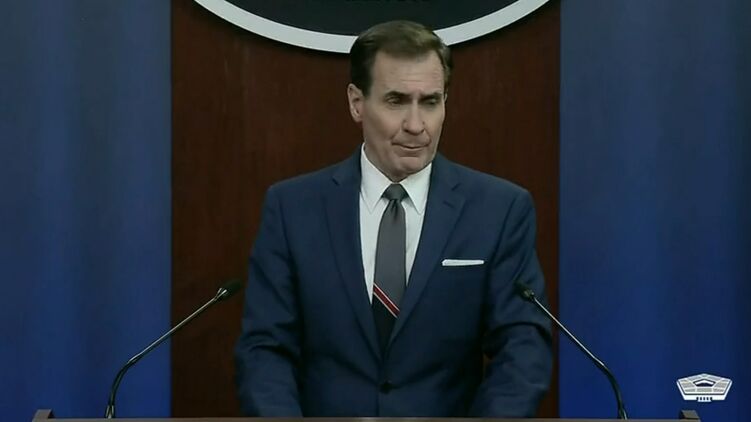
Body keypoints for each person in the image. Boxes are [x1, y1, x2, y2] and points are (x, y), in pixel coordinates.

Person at [235, 20, 552, 417]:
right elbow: (265, 350)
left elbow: (523, 349)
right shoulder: (292, 209)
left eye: (430, 102)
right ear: (356, 102)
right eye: (396, 101)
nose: (416, 125)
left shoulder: (499, 210)